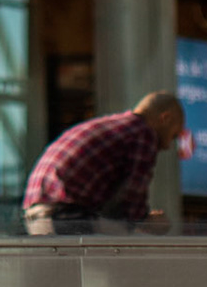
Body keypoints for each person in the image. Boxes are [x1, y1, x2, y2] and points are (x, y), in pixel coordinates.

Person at [22, 92, 186, 235]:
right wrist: (148, 220)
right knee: (122, 257)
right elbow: (133, 197)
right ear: (165, 118)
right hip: (66, 216)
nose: (168, 146)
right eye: (173, 136)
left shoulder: (113, 124)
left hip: (35, 213)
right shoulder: (143, 133)